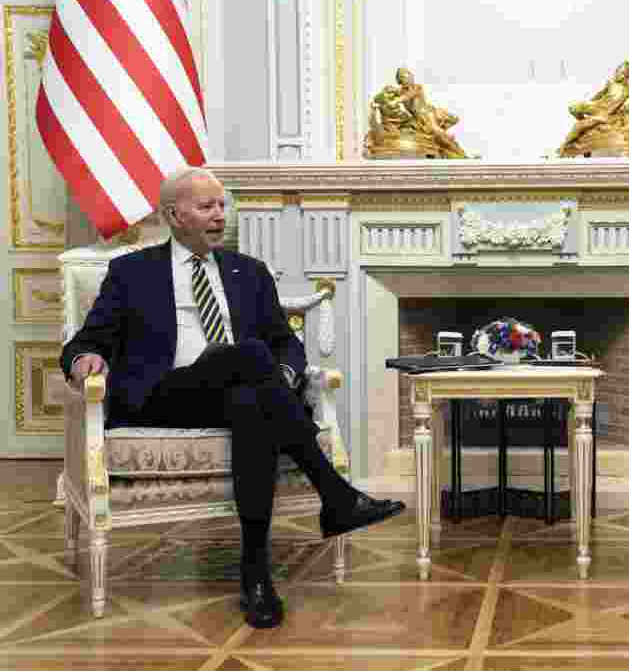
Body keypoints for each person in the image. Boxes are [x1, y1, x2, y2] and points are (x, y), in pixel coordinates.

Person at [61, 166, 406, 629]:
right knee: (248, 357)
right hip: (163, 395)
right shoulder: (131, 272)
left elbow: (286, 344)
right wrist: (82, 359)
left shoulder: (250, 273)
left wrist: (280, 371)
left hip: (233, 394)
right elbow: (87, 339)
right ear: (174, 215)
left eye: (222, 205)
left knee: (251, 398)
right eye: (206, 207)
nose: (220, 215)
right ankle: (335, 494)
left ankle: (256, 573)